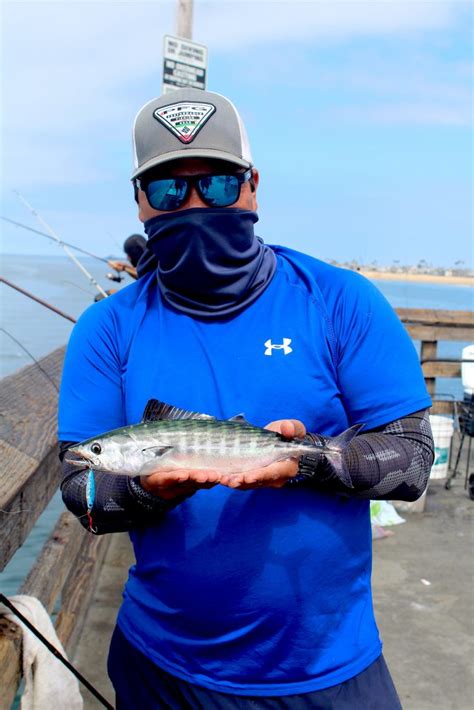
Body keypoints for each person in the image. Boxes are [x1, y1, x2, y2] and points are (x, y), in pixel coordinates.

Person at [58, 88, 434, 709]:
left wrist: (308, 460)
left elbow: (413, 461)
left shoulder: (342, 300)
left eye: (219, 184)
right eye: (169, 191)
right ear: (140, 203)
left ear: (253, 185)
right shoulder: (106, 329)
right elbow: (84, 495)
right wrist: (148, 490)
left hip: (329, 671)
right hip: (161, 667)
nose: (196, 203)